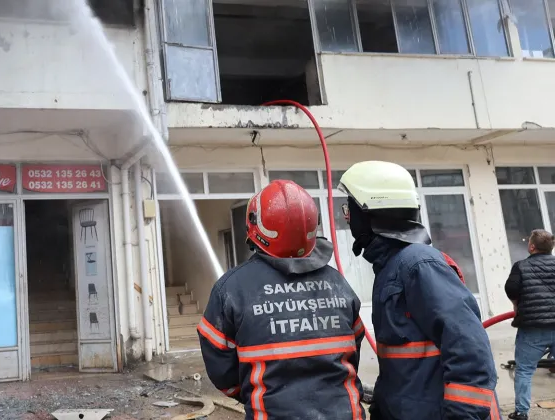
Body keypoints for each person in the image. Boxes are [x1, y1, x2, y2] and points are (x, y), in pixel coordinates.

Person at [338, 160, 501, 420]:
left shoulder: (419, 265)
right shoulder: (393, 266)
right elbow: (401, 365)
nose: (347, 218)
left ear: (374, 210)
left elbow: (471, 353)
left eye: (351, 209)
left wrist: (463, 415)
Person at [197, 179, 366, 419]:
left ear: (255, 225)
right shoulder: (338, 283)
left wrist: (255, 390)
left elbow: (221, 369)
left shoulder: (231, 289)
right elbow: (353, 352)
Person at [505, 229, 555, 420]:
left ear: (532, 246)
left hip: (533, 327)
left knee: (525, 370)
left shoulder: (521, 266)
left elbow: (511, 289)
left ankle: (521, 412)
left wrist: (516, 304)